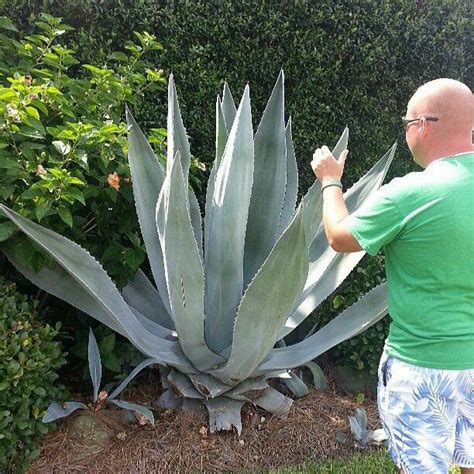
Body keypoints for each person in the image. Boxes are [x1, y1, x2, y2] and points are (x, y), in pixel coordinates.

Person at [310, 78, 473, 474]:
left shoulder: (412, 194)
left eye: (406, 123)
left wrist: (330, 181)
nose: (405, 131)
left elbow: (338, 236)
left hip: (420, 369)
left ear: (424, 125)